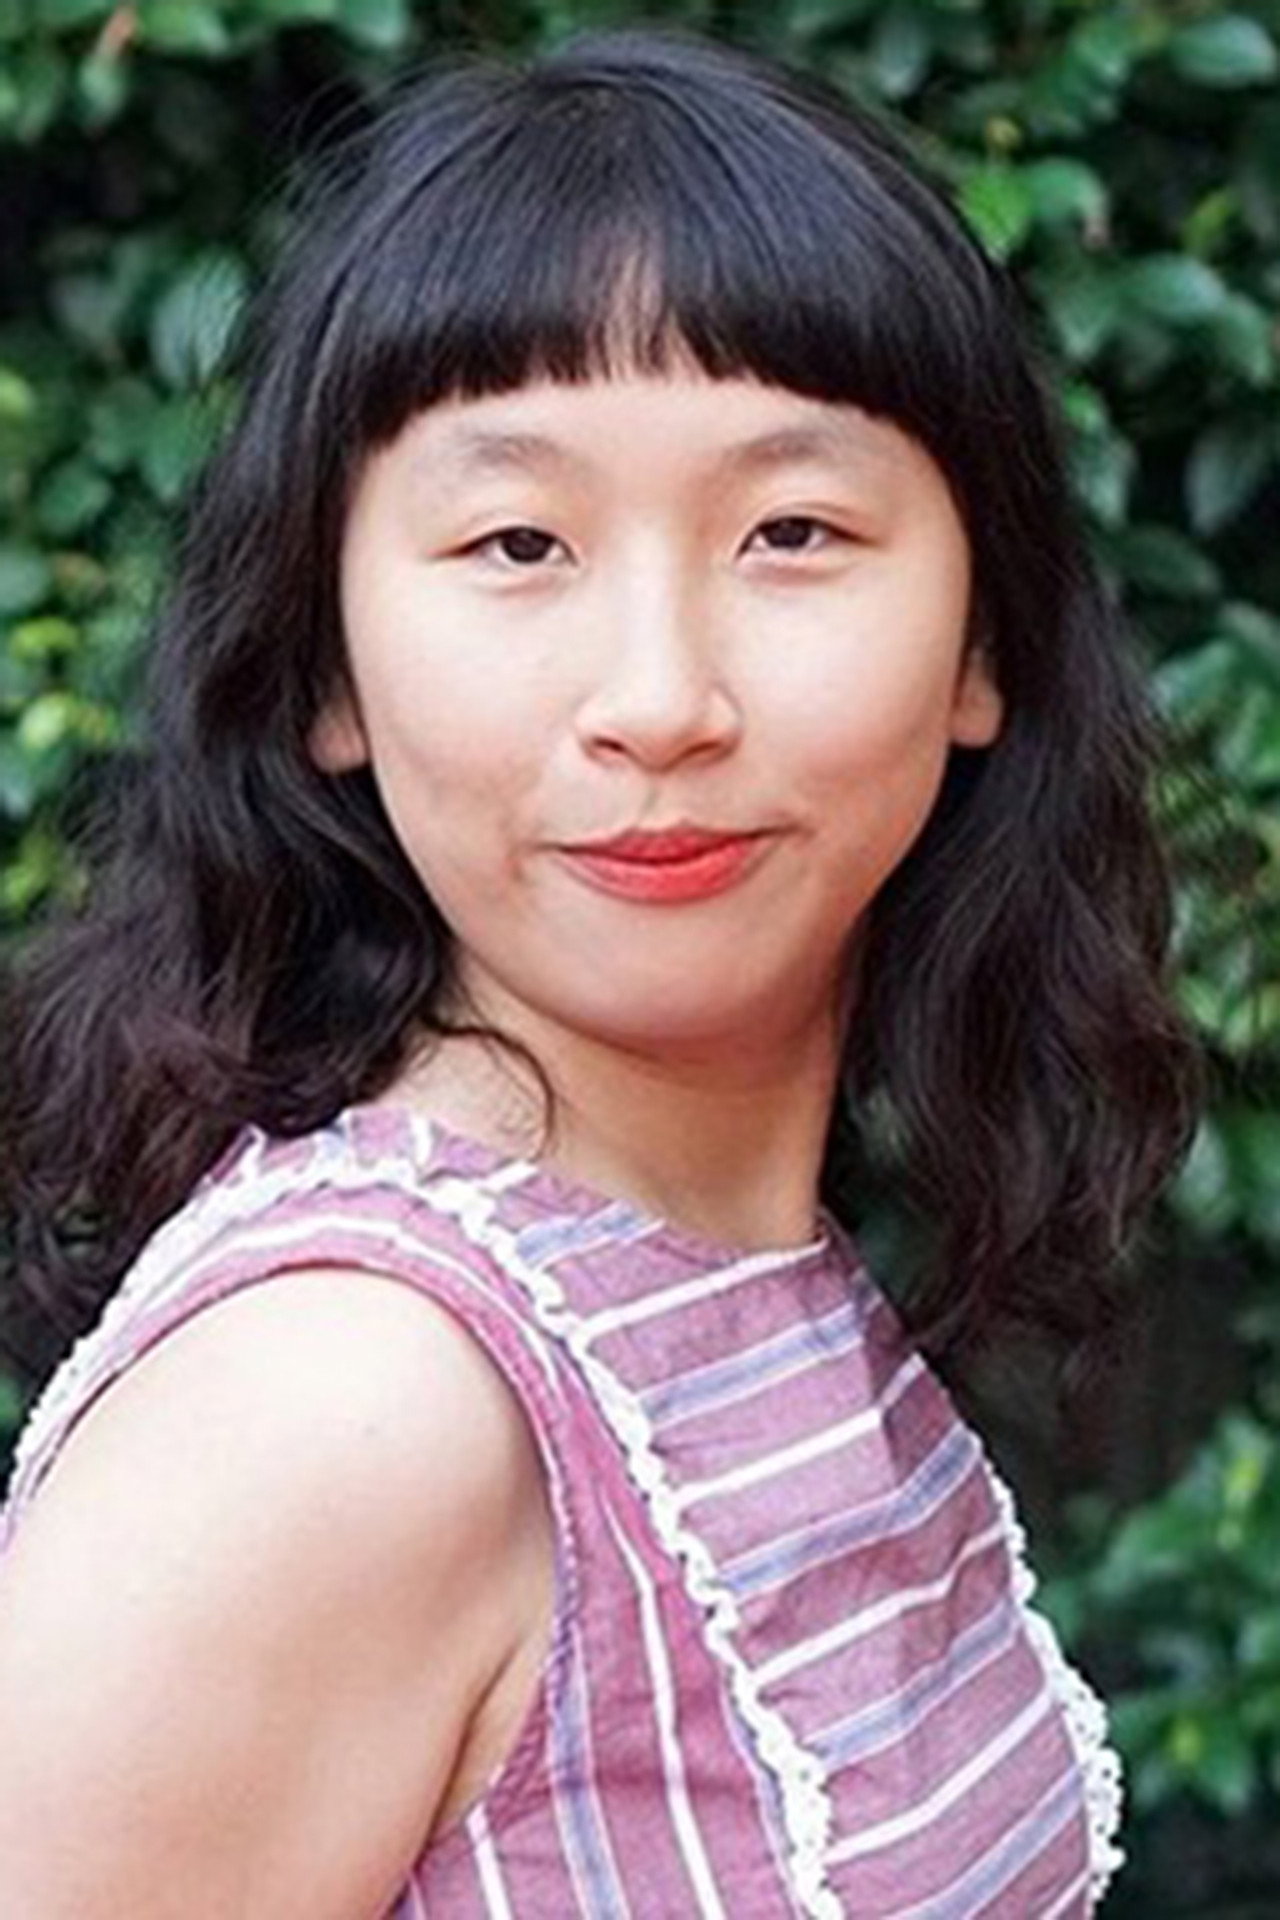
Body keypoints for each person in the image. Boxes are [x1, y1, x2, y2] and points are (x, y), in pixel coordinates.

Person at [0, 24, 1199, 1918]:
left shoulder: (734, 1257)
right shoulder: (337, 1413)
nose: (659, 699)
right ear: (326, 668)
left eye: (792, 531)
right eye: (517, 541)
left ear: (985, 644)